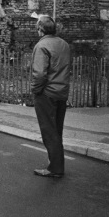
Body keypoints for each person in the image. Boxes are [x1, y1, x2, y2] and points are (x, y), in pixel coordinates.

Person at [31, 15, 70, 178]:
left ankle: (55, 168)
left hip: (47, 93)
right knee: (57, 130)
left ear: (40, 30)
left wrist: (35, 90)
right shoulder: (64, 44)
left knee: (48, 131)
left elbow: (40, 74)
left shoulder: (41, 46)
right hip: (62, 93)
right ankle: (56, 164)